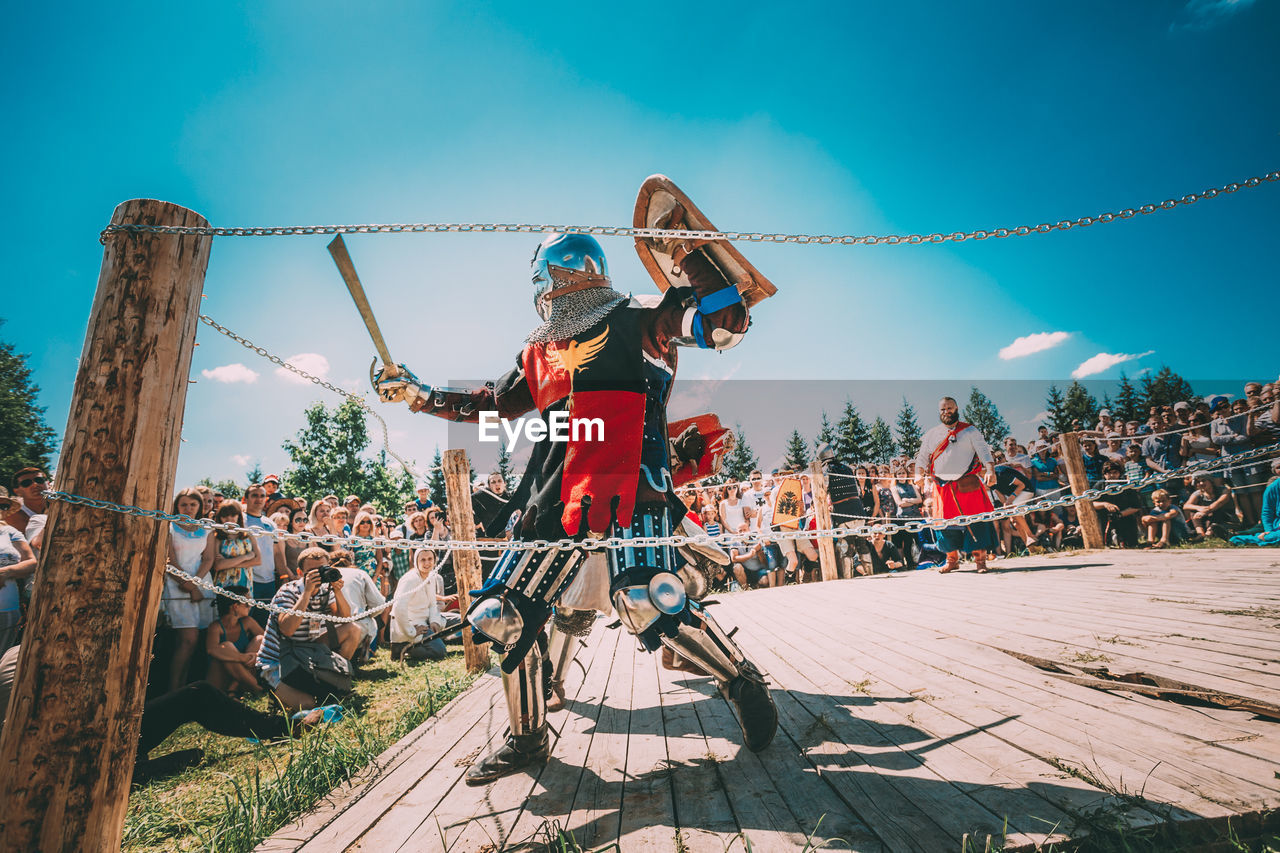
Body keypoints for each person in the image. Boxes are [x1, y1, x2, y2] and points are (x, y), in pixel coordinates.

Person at [372, 229, 777, 784]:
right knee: (503, 616)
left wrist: (686, 256)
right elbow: (493, 401)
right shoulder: (540, 349)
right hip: (555, 495)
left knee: (644, 599)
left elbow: (723, 325)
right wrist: (421, 397)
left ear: (555, 278)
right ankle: (528, 737)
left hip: (633, 484)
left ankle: (739, 681)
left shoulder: (639, 319)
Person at [256, 547, 360, 712]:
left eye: (322, 570)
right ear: (299, 572)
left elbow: (344, 617)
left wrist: (338, 591)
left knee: (352, 629)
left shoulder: (326, 590)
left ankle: (331, 678)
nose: (318, 575)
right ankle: (277, 694)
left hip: (306, 651)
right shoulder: (287, 592)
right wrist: (306, 594)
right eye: (312, 572)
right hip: (278, 659)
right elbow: (287, 630)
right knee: (308, 704)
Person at [914, 397, 997, 573]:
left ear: (956, 408)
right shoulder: (932, 434)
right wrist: (918, 474)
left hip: (967, 483)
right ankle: (952, 560)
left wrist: (990, 470)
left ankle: (980, 561)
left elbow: (984, 451)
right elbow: (922, 457)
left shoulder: (969, 430)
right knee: (946, 526)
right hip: (943, 488)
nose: (946, 412)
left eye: (949, 408)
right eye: (943, 409)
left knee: (976, 523)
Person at [162, 488, 216, 692]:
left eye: (193, 505)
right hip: (177, 585)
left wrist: (195, 583)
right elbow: (170, 559)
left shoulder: (206, 527)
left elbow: (209, 558)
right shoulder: (170, 527)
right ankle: (173, 689)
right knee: (187, 639)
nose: (189, 508)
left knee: (197, 640)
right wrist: (187, 585)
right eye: (184, 504)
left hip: (201, 582)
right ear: (177, 505)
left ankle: (190, 686)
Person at [389, 548, 449, 662]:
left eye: (430, 559)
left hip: (426, 621)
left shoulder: (431, 576)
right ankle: (402, 648)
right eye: (423, 560)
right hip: (413, 625)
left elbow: (432, 604)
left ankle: (429, 641)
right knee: (440, 651)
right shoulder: (410, 579)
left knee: (460, 621)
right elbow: (398, 608)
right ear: (416, 561)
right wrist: (411, 631)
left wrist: (434, 621)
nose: (427, 563)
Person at [205, 586, 264, 695]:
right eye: (247, 602)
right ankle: (256, 688)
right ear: (235, 606)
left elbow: (267, 641)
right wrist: (243, 658)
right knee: (226, 647)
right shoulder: (216, 627)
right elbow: (212, 650)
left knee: (260, 639)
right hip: (219, 679)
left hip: (241, 680)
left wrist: (255, 655)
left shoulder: (248, 622)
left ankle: (234, 689)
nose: (250, 606)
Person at [242, 484, 286, 620]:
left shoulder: (270, 524)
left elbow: (277, 552)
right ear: (246, 499)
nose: (259, 499)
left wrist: (284, 576)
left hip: (268, 581)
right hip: (247, 579)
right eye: (254, 495)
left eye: (262, 496)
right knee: (245, 619)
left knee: (264, 621)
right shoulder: (240, 521)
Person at [0, 494, 37, 652]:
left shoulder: (10, 531)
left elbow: (31, 562)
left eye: (4, 506)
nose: (0, 510)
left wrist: (6, 572)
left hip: (8, 610)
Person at [210, 500, 261, 592]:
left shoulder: (248, 535)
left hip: (245, 582)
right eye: (225, 516)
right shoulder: (217, 537)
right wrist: (246, 557)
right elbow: (218, 566)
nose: (229, 519)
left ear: (239, 516)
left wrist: (227, 563)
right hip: (224, 583)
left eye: (233, 515)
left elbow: (258, 560)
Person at [1093, 462, 1145, 548]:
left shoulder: (1126, 486)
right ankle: (1106, 542)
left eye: (1115, 472)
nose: (1112, 475)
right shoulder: (1099, 485)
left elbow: (1136, 506)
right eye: (1109, 473)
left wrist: (1120, 514)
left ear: (1119, 473)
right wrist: (1105, 504)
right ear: (1104, 475)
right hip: (1104, 517)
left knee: (1131, 544)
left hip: (1124, 515)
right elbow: (1092, 504)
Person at [1182, 475, 1238, 541]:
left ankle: (1209, 533)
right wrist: (1199, 508)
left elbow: (1219, 503)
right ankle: (1200, 534)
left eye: (1203, 480)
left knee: (1215, 511)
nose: (1201, 483)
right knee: (1193, 511)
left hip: (1226, 520)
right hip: (1209, 520)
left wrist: (1205, 511)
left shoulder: (1224, 490)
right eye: (1198, 482)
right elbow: (1186, 506)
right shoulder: (1198, 493)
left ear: (1211, 481)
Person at [5, 467, 50, 536]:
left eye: (39, 480)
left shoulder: (64, 506)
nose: (35, 484)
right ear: (17, 491)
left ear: (48, 483)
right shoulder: (13, 516)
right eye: (26, 483)